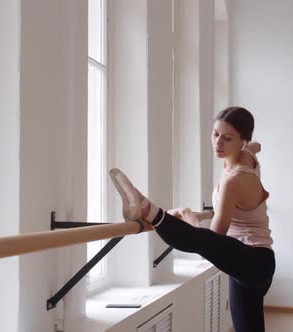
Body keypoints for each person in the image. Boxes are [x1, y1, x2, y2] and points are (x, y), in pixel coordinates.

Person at [109, 106, 275, 332]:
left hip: (253, 261)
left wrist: (188, 216)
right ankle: (147, 208)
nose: (218, 143)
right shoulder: (248, 155)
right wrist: (254, 147)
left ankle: (147, 209)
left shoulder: (234, 180)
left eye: (227, 138)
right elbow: (257, 147)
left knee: (201, 240)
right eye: (215, 134)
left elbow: (213, 239)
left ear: (242, 141)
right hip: (245, 261)